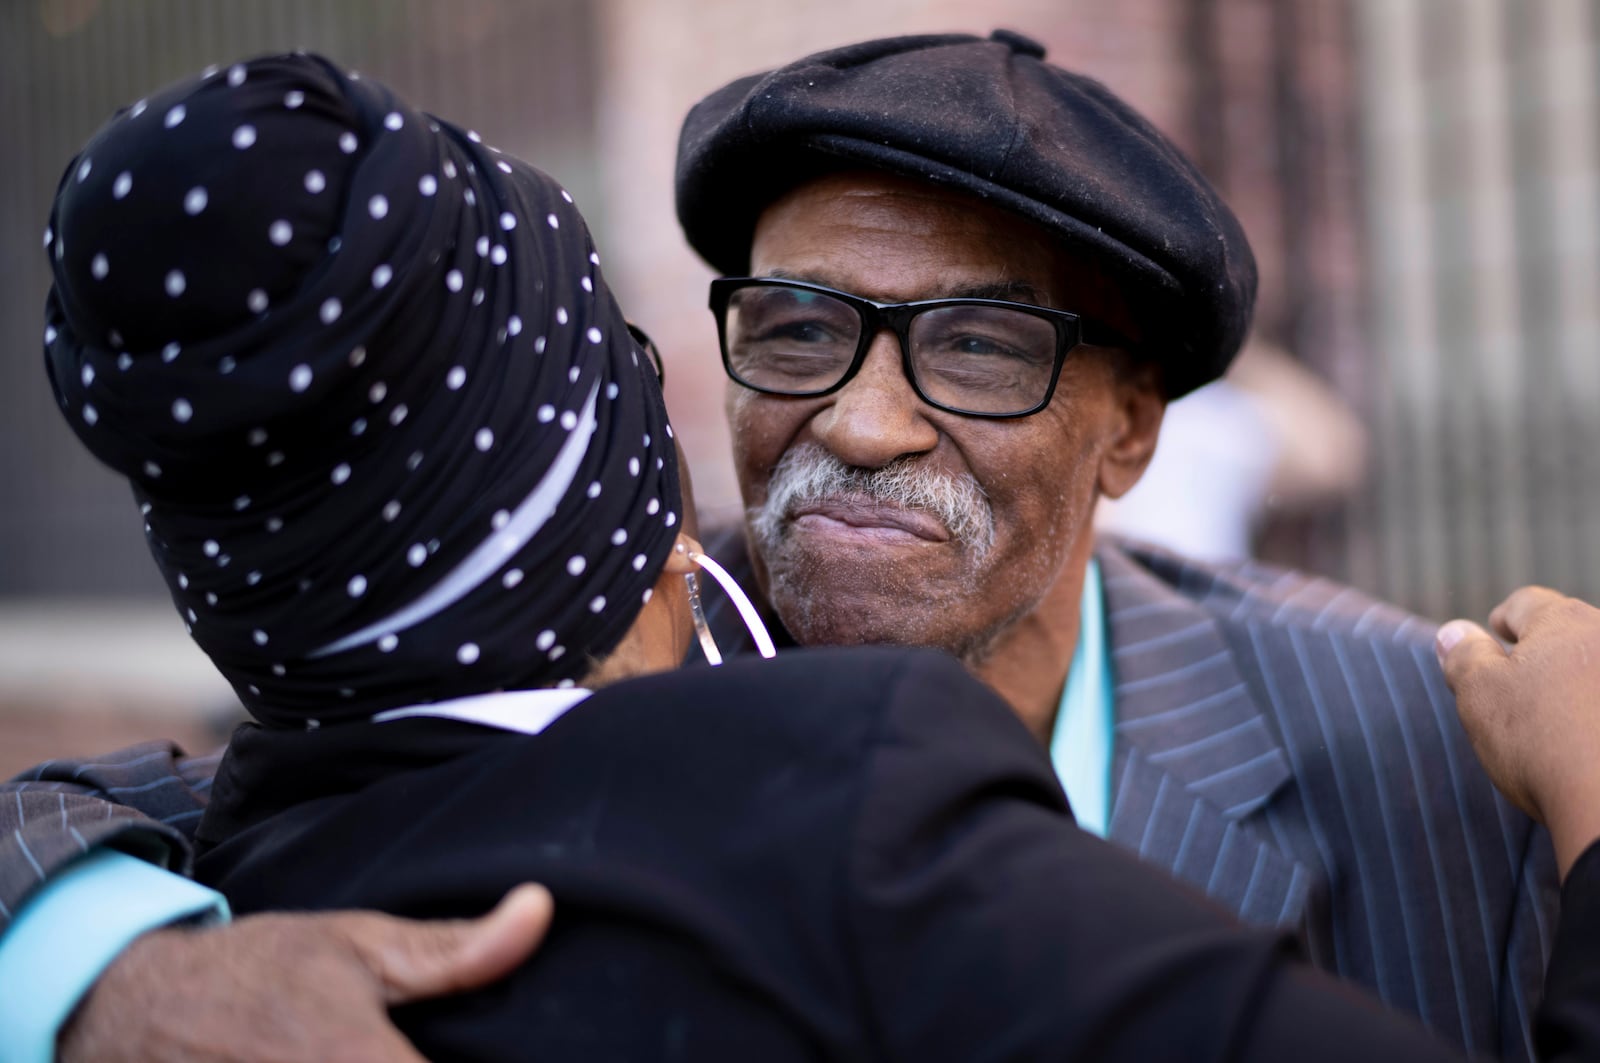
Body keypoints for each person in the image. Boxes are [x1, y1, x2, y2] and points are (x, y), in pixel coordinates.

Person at [11, 51, 1600, 1063]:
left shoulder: (1430, 745)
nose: (864, 422)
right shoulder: (593, 620)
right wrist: (97, 968)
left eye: (979, 347)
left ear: (1131, 436)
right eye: (799, 328)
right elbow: (172, 792)